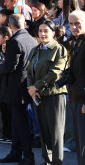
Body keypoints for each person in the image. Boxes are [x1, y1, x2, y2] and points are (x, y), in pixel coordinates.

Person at [0, 14, 37, 165]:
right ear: (24, 23)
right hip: (26, 84)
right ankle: (16, 152)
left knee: (21, 122)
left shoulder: (14, 41)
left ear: (10, 25)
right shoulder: (30, 38)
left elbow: (10, 66)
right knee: (17, 121)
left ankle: (27, 155)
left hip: (16, 86)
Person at [26, 20, 67, 165]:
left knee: (55, 132)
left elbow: (55, 72)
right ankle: (47, 160)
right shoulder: (35, 50)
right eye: (40, 31)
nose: (42, 34)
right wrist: (32, 89)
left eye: (46, 31)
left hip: (54, 95)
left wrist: (36, 87)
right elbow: (29, 71)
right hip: (38, 95)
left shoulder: (59, 49)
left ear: (53, 33)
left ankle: (56, 162)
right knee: (43, 130)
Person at [66, 10, 85, 164]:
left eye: (78, 23)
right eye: (71, 23)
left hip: (82, 98)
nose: (74, 27)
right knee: (80, 141)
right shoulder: (75, 42)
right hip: (74, 94)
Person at [0, 26, 12, 144]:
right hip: (0, 82)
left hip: (9, 82)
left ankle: (11, 133)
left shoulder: (11, 46)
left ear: (6, 37)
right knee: (3, 109)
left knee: (11, 110)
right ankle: (5, 133)